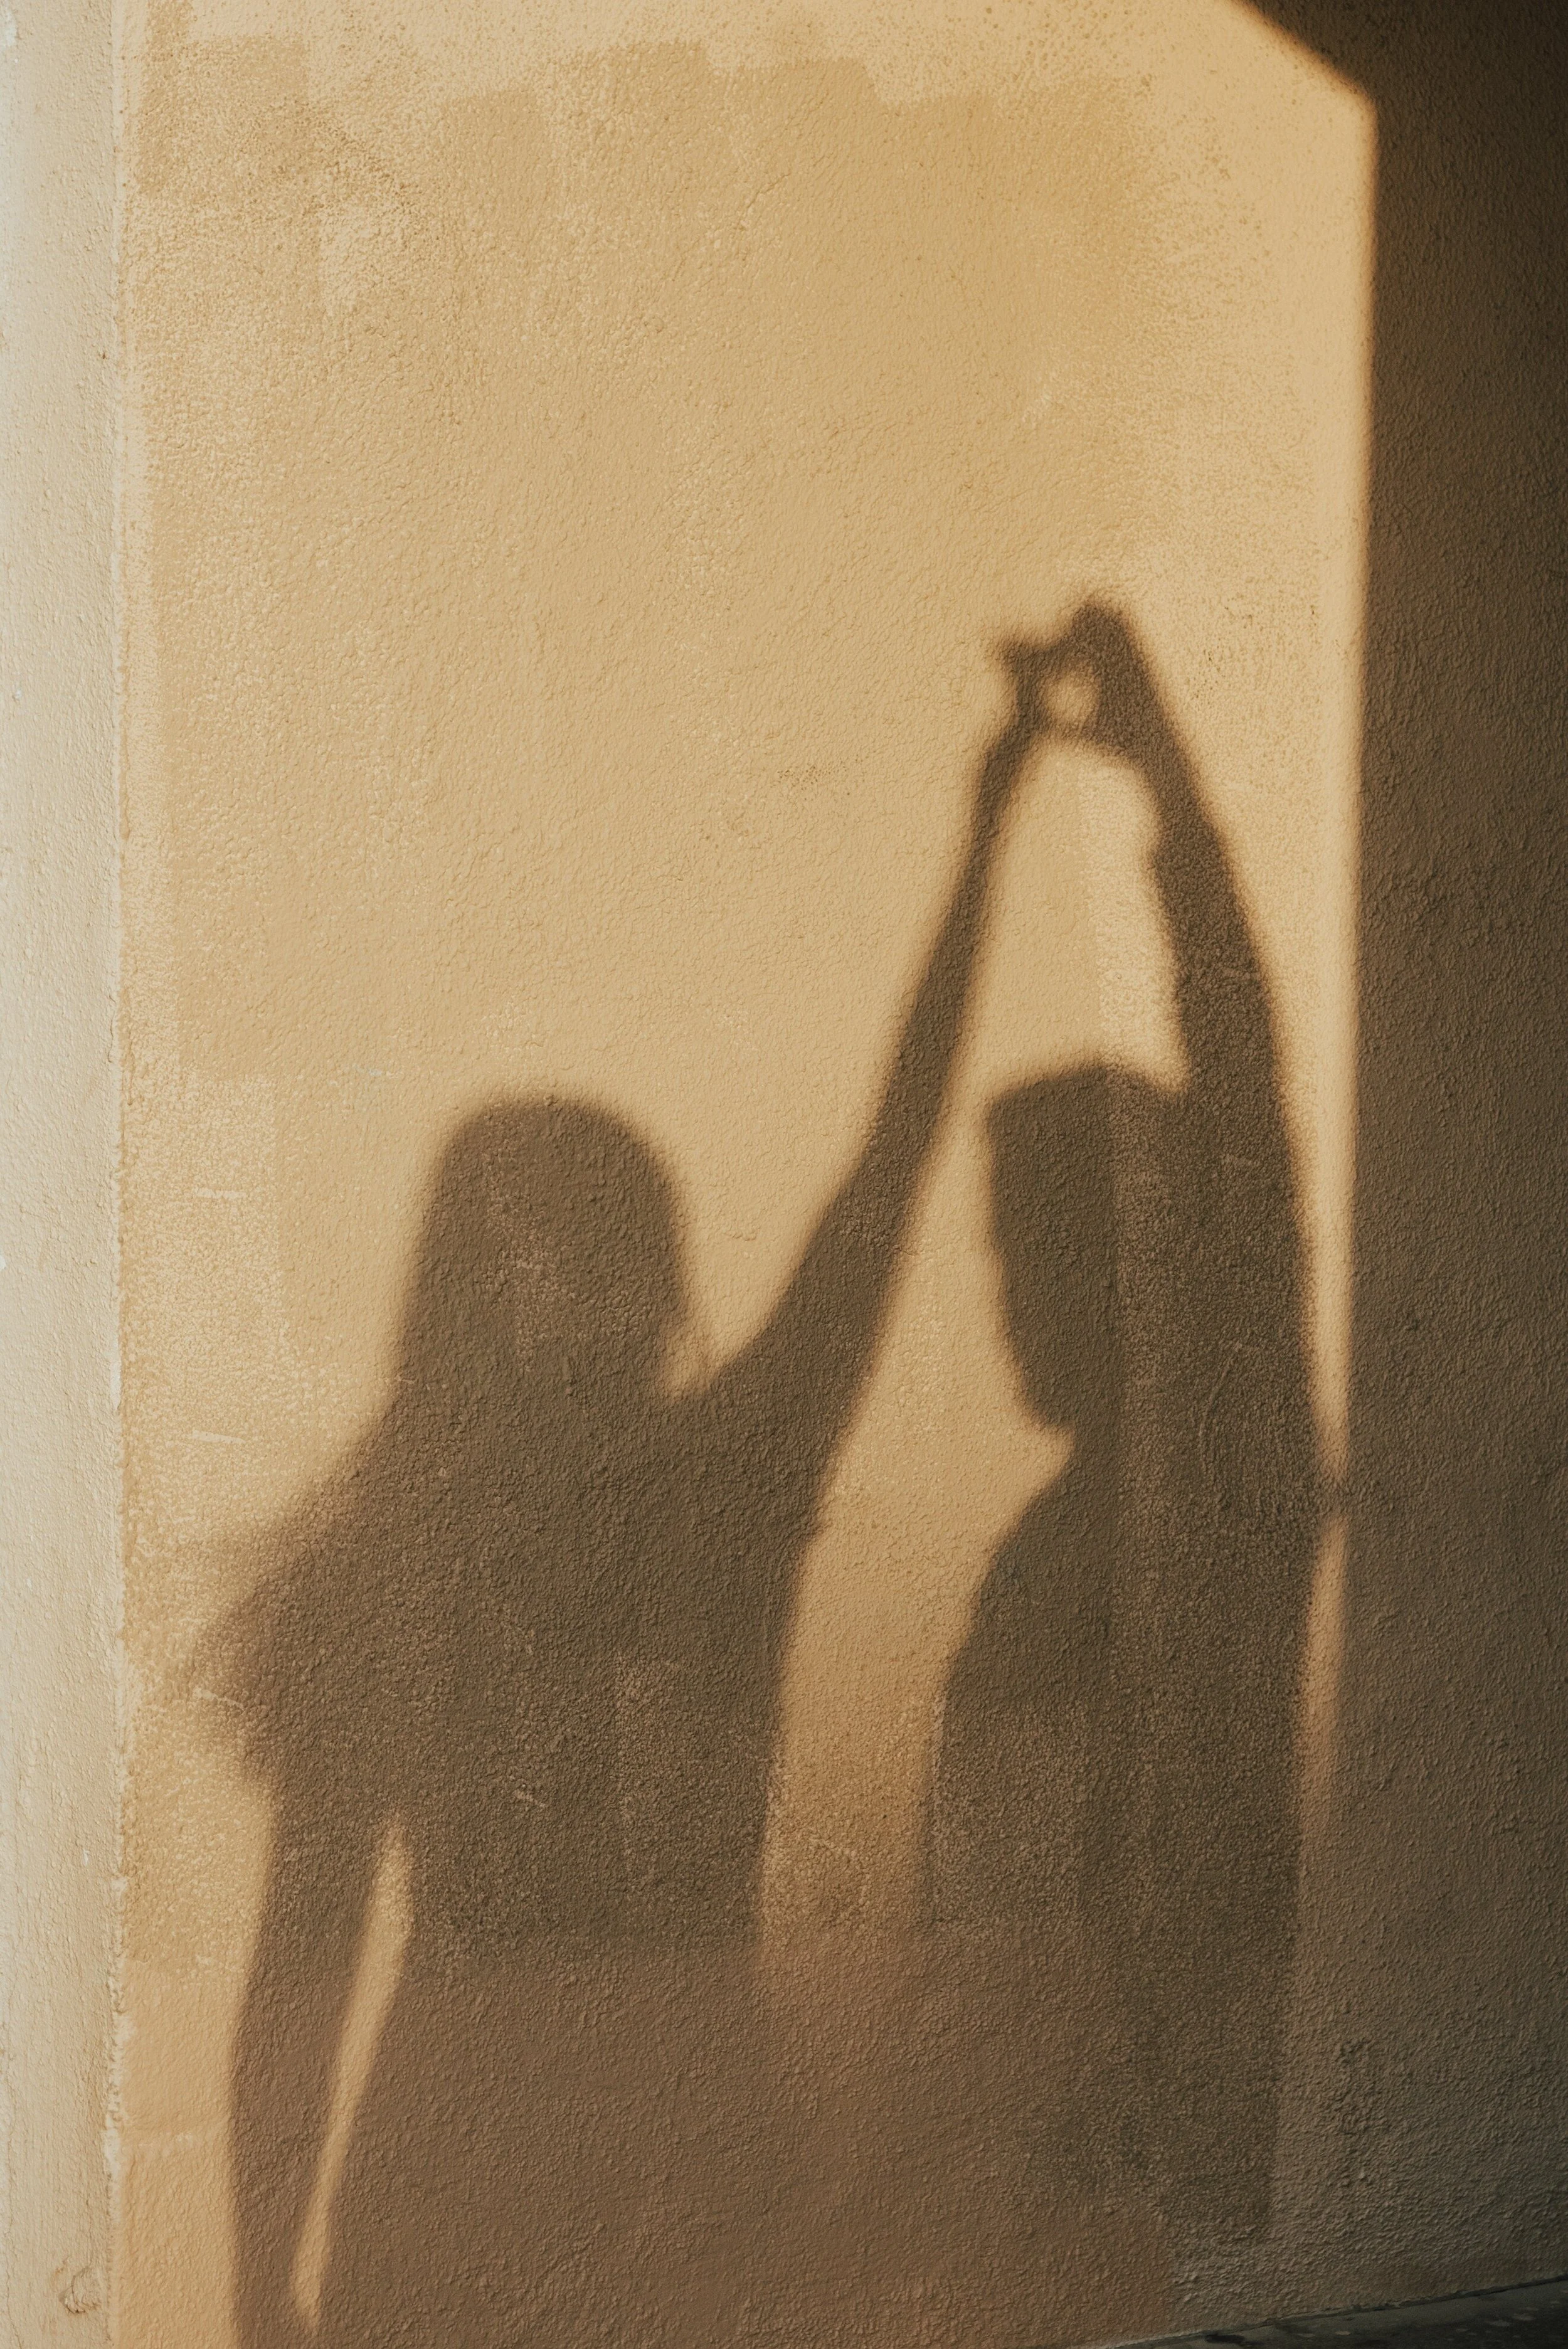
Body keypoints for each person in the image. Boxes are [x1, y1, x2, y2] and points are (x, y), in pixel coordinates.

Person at [218, 642, 1053, 2348]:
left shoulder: (660, 1493)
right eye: (556, 1251)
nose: (593, 1289)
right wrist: (254, 2271)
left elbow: (886, 1170)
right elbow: (301, 1954)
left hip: (589, 2176)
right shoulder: (547, 1524)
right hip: (565, 2178)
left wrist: (987, 837)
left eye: (607, 1247)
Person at [932, 604, 1321, 2245]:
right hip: (1041, 2180)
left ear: (1157, 1258)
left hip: (1162, 2182)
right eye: (1001, 1255)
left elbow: (1242, 1092)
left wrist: (1164, 780)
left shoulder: (1220, 1481)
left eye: (1049, 1250)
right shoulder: (1057, 1534)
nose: (1015, 1302)